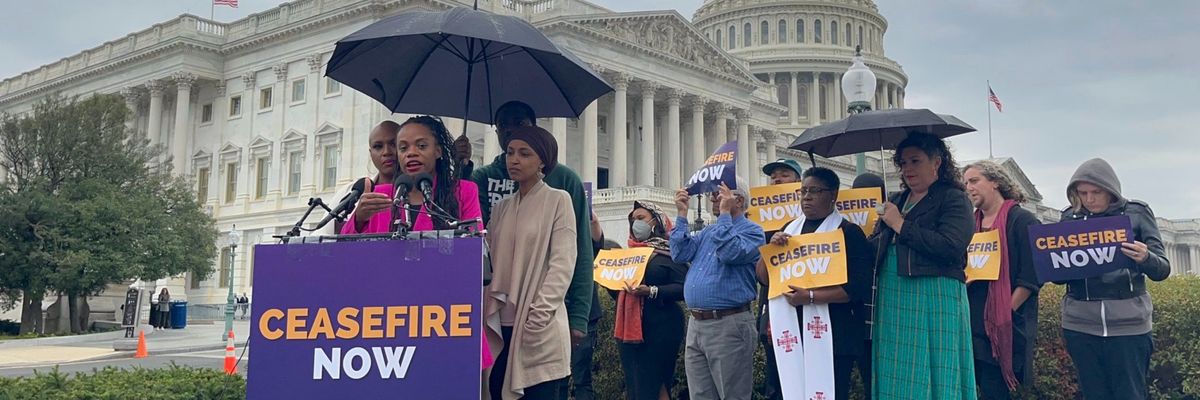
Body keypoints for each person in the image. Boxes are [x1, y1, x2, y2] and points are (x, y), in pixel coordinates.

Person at [469, 101, 594, 351]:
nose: (510, 130)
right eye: (503, 125)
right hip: (498, 306)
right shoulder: (482, 178)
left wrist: (578, 313)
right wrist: (461, 171)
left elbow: (577, 249)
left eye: (520, 124)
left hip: (548, 306)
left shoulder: (564, 182)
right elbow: (474, 237)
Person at [871, 131, 977, 399]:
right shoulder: (896, 200)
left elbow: (951, 246)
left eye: (915, 161)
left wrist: (900, 225)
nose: (907, 169)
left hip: (936, 294)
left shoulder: (954, 198)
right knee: (897, 367)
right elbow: (874, 246)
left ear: (937, 162)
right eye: (903, 163)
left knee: (937, 366)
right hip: (894, 294)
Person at [755, 167, 875, 400]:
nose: (806, 197)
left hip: (835, 334)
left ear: (833, 195)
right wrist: (770, 251)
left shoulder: (848, 233)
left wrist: (811, 297)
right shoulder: (789, 230)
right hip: (790, 333)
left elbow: (858, 287)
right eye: (803, 191)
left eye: (814, 191)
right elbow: (763, 278)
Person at [1057, 158, 1170, 400]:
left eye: (1096, 192)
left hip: (1129, 323)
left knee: (1131, 393)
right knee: (1092, 394)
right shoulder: (1068, 219)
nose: (1089, 199)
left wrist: (1146, 257)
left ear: (1111, 190)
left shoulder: (1137, 213)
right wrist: (1052, 263)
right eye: (1083, 193)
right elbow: (1057, 278)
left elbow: (1162, 270)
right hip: (1080, 324)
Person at [484, 126, 578, 400]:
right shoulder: (500, 208)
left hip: (539, 326)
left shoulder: (559, 200)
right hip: (500, 323)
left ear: (543, 161)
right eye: (510, 153)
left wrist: (538, 316)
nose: (514, 160)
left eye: (524, 154)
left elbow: (562, 264)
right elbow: (488, 259)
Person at [670, 177, 764, 400]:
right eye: (712, 194)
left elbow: (730, 252)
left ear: (738, 200)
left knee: (732, 395)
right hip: (697, 323)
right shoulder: (708, 232)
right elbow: (679, 253)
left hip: (729, 323)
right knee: (700, 395)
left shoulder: (753, 231)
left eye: (718, 193)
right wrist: (682, 215)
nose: (712, 197)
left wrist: (724, 216)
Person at [962, 161, 1043, 398]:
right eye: (966, 183)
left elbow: (1032, 276)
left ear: (995, 182)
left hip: (1004, 326)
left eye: (974, 181)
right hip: (972, 323)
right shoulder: (968, 223)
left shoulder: (1023, 220)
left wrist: (1004, 313)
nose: (969, 187)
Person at [342, 116, 482, 234]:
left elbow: (473, 244)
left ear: (438, 151)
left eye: (421, 146)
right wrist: (359, 219)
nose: (411, 153)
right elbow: (347, 252)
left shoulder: (464, 191)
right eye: (403, 148)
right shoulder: (381, 196)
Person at [608, 201, 687, 400]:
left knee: (657, 383)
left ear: (656, 222)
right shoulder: (628, 255)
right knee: (637, 385)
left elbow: (685, 287)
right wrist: (609, 280)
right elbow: (619, 295)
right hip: (630, 332)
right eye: (633, 220)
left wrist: (652, 291)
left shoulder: (670, 253)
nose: (636, 223)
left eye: (641, 218)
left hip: (661, 328)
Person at [755, 158, 804, 400]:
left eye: (784, 174)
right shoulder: (761, 224)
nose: (777, 179)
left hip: (806, 305)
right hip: (773, 303)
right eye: (774, 175)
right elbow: (760, 273)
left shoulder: (809, 220)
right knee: (775, 377)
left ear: (798, 182)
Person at [850, 171, 885, 396]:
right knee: (867, 379)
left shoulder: (889, 224)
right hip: (859, 317)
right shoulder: (847, 228)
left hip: (884, 314)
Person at [330, 121, 399, 233]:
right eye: (378, 146)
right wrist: (359, 219)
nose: (386, 152)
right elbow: (323, 237)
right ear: (370, 153)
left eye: (393, 144)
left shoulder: (422, 192)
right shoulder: (349, 192)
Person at [570, 211, 608, 400]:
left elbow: (597, 245)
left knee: (581, 378)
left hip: (585, 316)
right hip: (558, 312)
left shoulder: (583, 242)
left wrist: (593, 221)